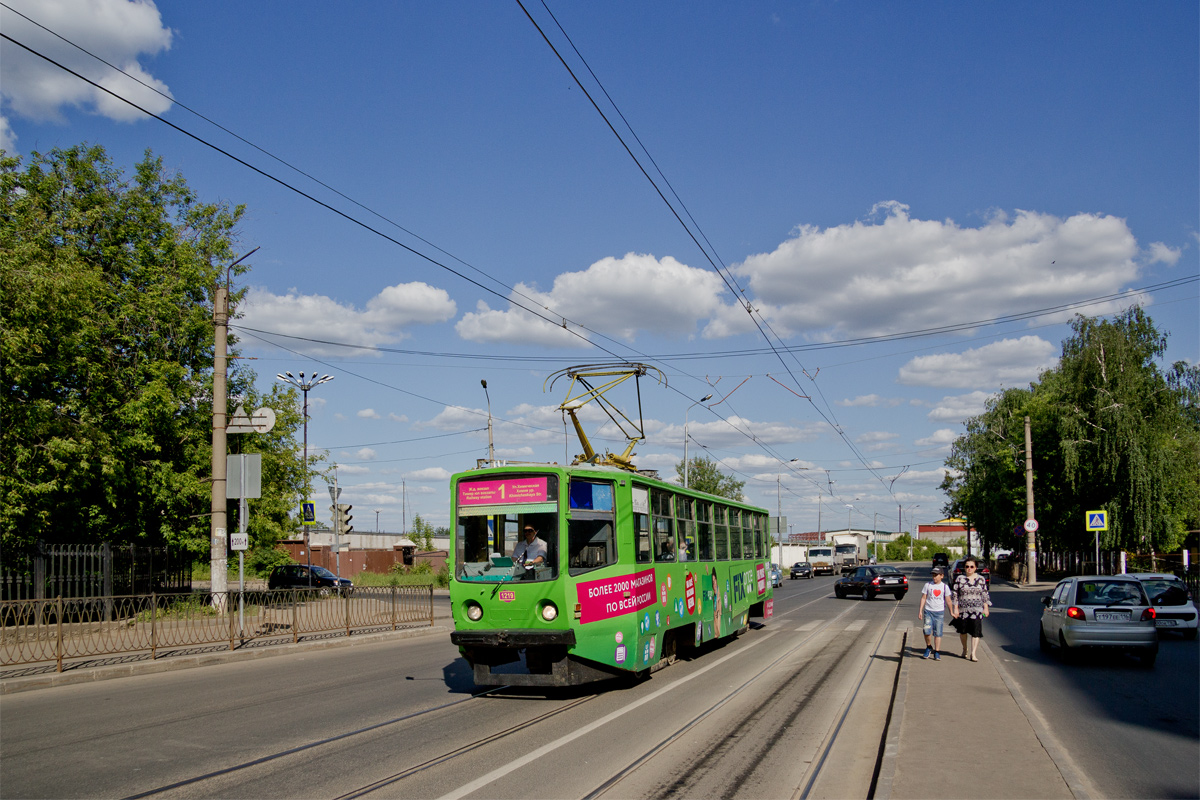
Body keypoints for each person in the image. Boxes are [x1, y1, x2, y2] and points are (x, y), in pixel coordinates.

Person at [949, 557, 991, 661]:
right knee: (963, 631)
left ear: (976, 568)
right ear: (964, 568)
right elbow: (955, 594)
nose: (969, 568)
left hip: (977, 610)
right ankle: (965, 649)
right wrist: (955, 608)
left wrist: (986, 608)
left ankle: (973, 653)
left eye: (972, 567)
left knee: (976, 631)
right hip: (963, 610)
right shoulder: (960, 579)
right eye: (967, 566)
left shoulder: (981, 579)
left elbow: (985, 594)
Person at [918, 566, 949, 660]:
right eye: (933, 575)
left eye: (936, 575)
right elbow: (923, 598)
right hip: (928, 611)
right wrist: (920, 610)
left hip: (939, 612)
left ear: (942, 576)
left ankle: (937, 651)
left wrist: (952, 611)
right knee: (926, 631)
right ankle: (928, 646)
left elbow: (948, 600)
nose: (934, 577)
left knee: (938, 633)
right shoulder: (928, 585)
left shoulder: (944, 587)